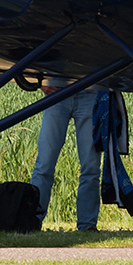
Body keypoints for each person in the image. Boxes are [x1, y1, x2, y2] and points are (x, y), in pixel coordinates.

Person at [30, 78, 103, 232]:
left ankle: (88, 225)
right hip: (56, 91)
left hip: (91, 92)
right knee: (44, 164)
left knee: (91, 166)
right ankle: (32, 221)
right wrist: (40, 82)